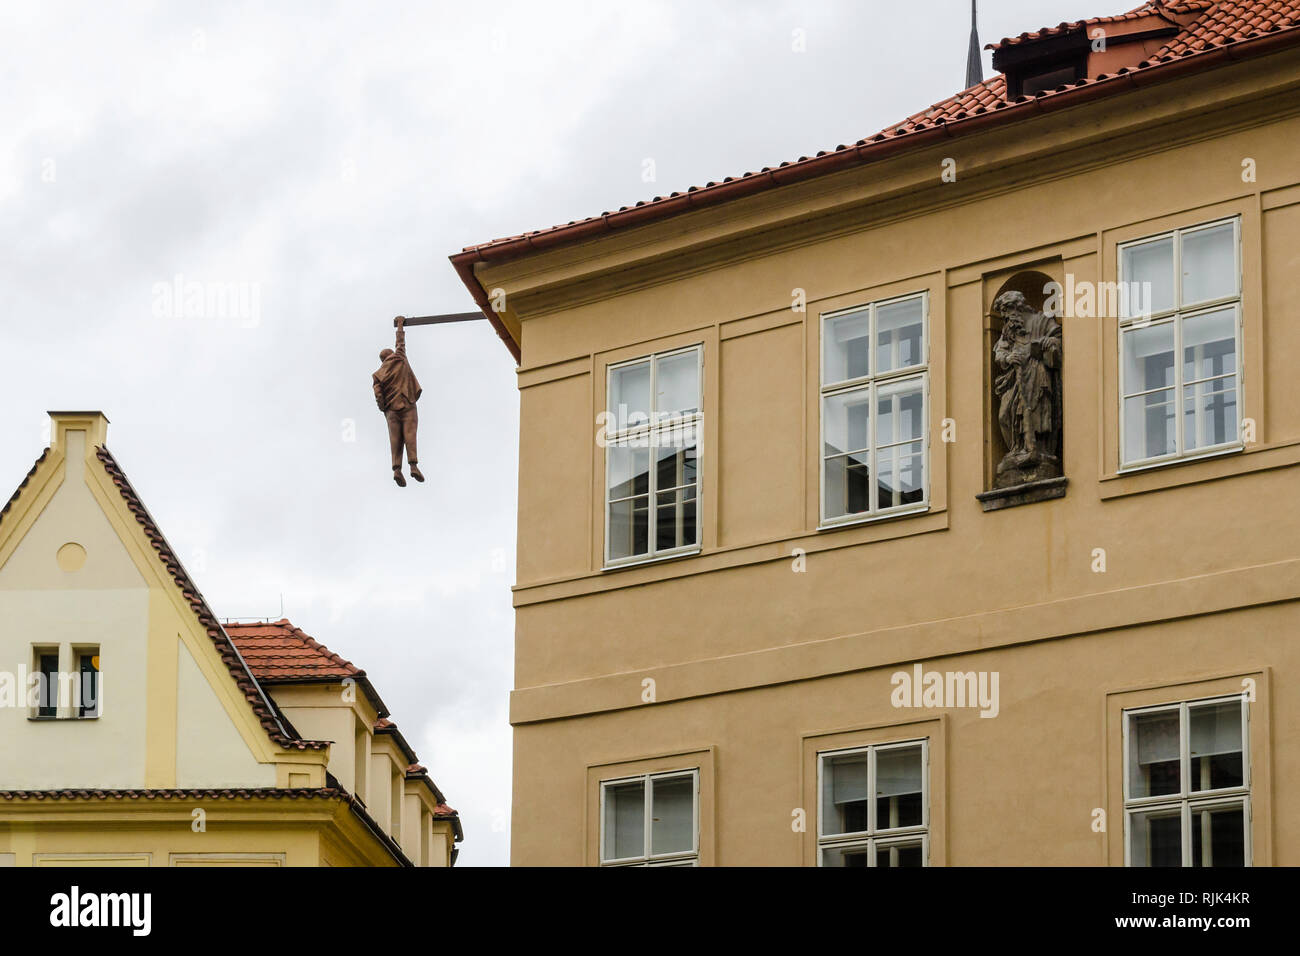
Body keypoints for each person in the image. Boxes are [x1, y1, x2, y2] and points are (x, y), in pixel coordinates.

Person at [373, 316, 424, 487]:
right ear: (391, 354)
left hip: (391, 411)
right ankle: (413, 466)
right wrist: (400, 324)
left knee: (395, 439)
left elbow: (378, 395)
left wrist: (384, 408)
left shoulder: (378, 374)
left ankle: (396, 470)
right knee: (410, 434)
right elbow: (400, 342)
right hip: (407, 402)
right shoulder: (399, 358)